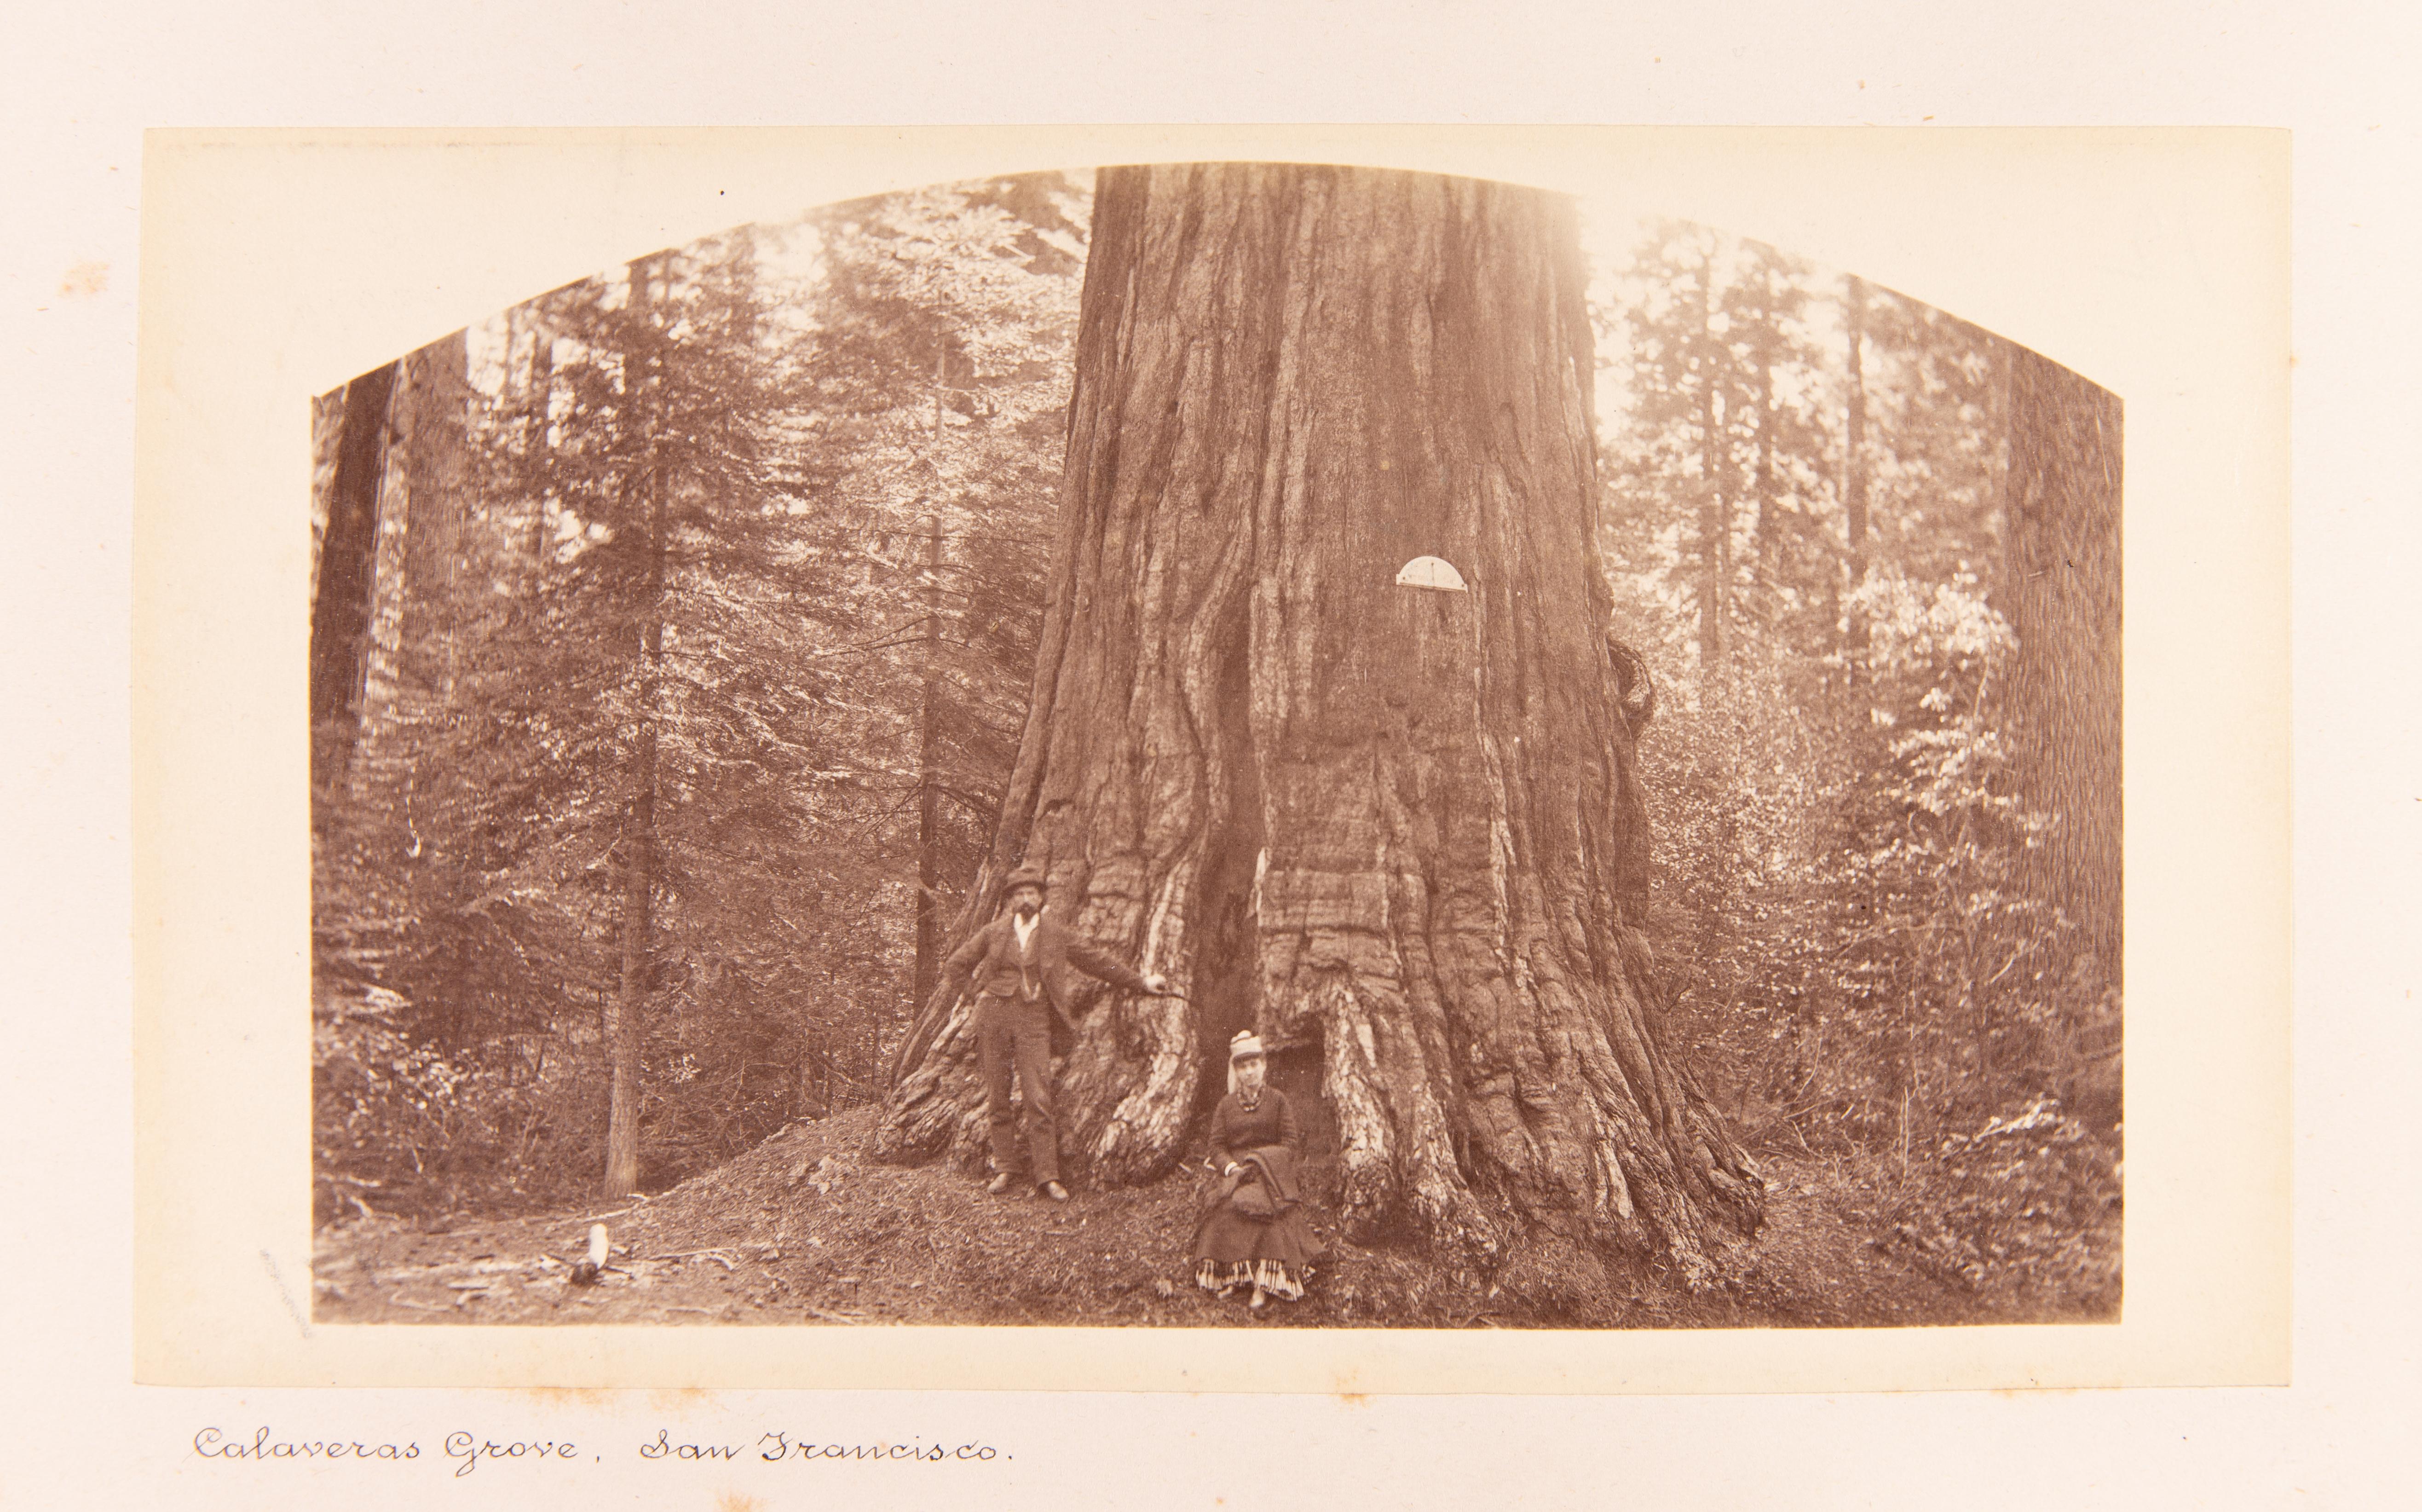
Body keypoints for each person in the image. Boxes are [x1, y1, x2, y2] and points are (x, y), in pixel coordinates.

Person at [937, 863, 1170, 1202]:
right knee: (998, 1096)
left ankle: (1047, 1176)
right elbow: (955, 965)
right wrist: (976, 994)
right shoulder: (993, 932)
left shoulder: (1057, 934)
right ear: (1010, 900)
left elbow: (1096, 960)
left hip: (1035, 1020)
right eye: (1019, 894)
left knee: (1038, 1097)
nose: (1026, 899)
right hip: (994, 1018)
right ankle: (1005, 1168)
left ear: (1042, 898)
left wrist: (1141, 982)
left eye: (1031, 893)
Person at [1190, 1031, 1325, 1312]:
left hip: (1270, 1173)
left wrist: (1262, 1162)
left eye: (1254, 1065)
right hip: (1238, 1173)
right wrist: (1232, 1168)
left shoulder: (1278, 1101)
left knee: (1269, 1217)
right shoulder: (1226, 1106)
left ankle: (1262, 1285)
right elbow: (1216, 1146)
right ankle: (1233, 1276)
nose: (1249, 1072)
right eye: (1243, 1066)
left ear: (1264, 1066)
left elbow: (1290, 1143)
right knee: (1226, 1211)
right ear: (1236, 1071)